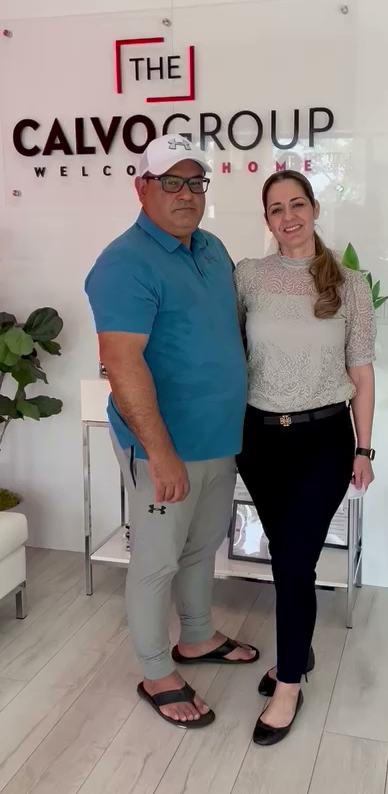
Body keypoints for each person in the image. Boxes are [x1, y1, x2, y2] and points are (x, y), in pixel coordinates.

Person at [85, 135, 258, 731]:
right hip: (166, 447)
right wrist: (159, 454)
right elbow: (122, 363)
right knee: (157, 561)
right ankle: (156, 672)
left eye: (195, 183)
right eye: (171, 182)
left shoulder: (211, 248)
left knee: (201, 547)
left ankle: (198, 637)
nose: (186, 195)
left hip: (219, 436)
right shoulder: (124, 263)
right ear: (142, 188)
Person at [235, 169, 376, 746]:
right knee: (287, 557)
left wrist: (364, 447)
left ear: (315, 208)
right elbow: (228, 351)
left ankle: (289, 682)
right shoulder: (248, 276)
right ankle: (302, 649)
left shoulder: (350, 283)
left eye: (297, 204)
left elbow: (361, 372)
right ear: (267, 219)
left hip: (324, 441)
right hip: (259, 440)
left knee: (294, 564)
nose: (288, 216)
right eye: (276, 209)